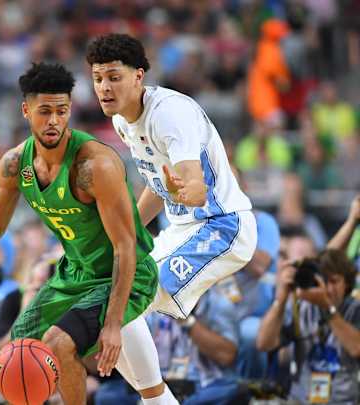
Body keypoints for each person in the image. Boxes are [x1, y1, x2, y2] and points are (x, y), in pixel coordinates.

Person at [0, 62, 178, 405]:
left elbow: (125, 246)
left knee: (59, 343)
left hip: (124, 274)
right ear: (26, 111)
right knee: (19, 348)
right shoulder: (14, 164)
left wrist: (113, 323)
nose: (54, 120)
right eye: (44, 111)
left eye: (62, 111)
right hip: (75, 273)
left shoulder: (94, 165)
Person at [86, 33, 257, 320]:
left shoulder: (168, 114)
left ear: (138, 77)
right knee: (110, 291)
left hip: (221, 225)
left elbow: (197, 191)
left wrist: (183, 192)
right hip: (180, 231)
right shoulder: (122, 122)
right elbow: (158, 185)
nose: (104, 87)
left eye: (114, 78)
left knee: (126, 298)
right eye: (98, 79)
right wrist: (126, 232)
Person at [256, 250, 360, 404]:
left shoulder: (356, 309)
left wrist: (327, 308)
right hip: (299, 400)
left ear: (347, 284)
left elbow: (356, 348)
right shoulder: (300, 307)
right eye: (324, 280)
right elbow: (264, 344)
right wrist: (281, 298)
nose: (328, 288)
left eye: (334, 281)